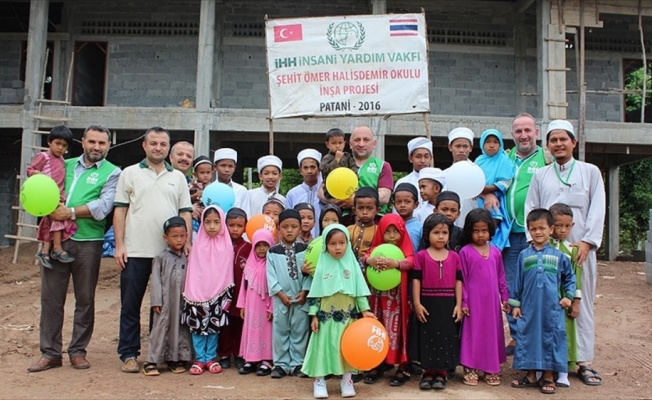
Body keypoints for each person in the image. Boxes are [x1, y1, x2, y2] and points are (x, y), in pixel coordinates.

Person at [28, 125, 121, 373]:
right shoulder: (62, 163)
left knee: (85, 299)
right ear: (82, 142)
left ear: (109, 145)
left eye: (102, 143)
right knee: (51, 298)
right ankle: (50, 353)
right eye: (92, 141)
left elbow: (105, 204)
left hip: (88, 242)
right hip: (55, 237)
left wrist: (68, 212)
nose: (97, 147)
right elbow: (42, 188)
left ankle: (78, 351)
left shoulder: (113, 173)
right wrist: (49, 210)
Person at [525, 119, 605, 386]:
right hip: (547, 253)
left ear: (574, 142)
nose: (558, 144)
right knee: (548, 304)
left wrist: (587, 242)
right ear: (547, 145)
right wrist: (535, 242)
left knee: (581, 304)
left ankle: (584, 361)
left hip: (580, 252)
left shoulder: (590, 171)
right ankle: (548, 362)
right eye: (553, 140)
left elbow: (597, 209)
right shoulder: (541, 175)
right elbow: (531, 209)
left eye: (563, 139)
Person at [114, 127, 193, 373]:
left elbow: (185, 212)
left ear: (168, 148)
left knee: (164, 306)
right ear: (144, 146)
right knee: (131, 304)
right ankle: (128, 353)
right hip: (135, 251)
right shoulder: (129, 173)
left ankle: (159, 353)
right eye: (153, 143)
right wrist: (119, 245)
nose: (158, 147)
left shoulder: (178, 177)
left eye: (162, 144)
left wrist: (186, 243)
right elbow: (120, 210)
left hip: (168, 254)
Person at [483, 113, 548, 355]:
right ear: (512, 135)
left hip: (536, 235)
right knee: (510, 287)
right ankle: (517, 336)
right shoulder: (504, 157)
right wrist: (486, 193)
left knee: (537, 284)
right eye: (518, 131)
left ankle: (535, 337)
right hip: (507, 234)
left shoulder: (546, 157)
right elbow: (483, 180)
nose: (523, 135)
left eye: (528, 130)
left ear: (536, 133)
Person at [301, 224, 374, 399]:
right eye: (332, 244)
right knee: (322, 349)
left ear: (347, 244)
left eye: (342, 243)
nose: (338, 247)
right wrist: (313, 315)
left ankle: (347, 380)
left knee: (347, 349)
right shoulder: (322, 265)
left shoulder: (353, 265)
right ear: (326, 246)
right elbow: (316, 294)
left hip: (348, 320)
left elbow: (359, 291)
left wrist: (365, 311)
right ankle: (319, 381)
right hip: (325, 319)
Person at [509, 208, 576, 395]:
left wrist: (568, 296)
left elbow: (570, 278)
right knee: (528, 336)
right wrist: (515, 305)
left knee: (551, 337)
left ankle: (548, 376)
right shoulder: (524, 255)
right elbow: (517, 282)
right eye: (533, 229)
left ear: (551, 229)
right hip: (529, 307)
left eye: (542, 228)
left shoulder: (559, 256)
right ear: (529, 230)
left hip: (552, 307)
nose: (538, 232)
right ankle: (530, 375)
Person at [409, 214, 463, 390]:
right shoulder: (421, 256)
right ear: (427, 235)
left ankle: (441, 373)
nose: (441, 236)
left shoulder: (455, 256)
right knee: (428, 336)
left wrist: (458, 304)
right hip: (427, 303)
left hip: (447, 303)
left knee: (446, 337)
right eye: (436, 232)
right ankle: (428, 372)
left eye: (445, 232)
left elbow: (458, 281)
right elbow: (416, 280)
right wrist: (417, 303)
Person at [361, 214, 414, 386]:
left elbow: (411, 261)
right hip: (378, 300)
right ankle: (377, 363)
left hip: (398, 300)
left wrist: (397, 264)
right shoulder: (377, 248)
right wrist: (370, 260)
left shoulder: (405, 248)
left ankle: (402, 366)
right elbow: (364, 257)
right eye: (387, 231)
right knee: (379, 328)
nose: (391, 236)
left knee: (398, 330)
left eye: (395, 231)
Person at [458, 209, 510, 386]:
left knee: (490, 332)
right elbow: (462, 279)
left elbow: (501, 276)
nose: (480, 234)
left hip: (491, 302)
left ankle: (490, 368)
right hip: (472, 301)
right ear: (469, 231)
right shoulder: (465, 252)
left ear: (490, 231)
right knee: (473, 333)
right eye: (476, 230)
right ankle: (470, 367)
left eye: (484, 230)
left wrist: (504, 297)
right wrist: (464, 301)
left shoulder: (495, 252)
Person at [182, 205, 234, 375]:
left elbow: (226, 270)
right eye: (208, 222)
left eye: (216, 222)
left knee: (214, 326)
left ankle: (210, 357)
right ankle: (199, 358)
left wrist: (219, 291)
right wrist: (198, 291)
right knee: (197, 326)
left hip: (219, 293)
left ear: (222, 223)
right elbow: (194, 270)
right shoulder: (197, 244)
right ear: (202, 223)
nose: (212, 226)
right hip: (197, 292)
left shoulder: (227, 245)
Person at [142, 216, 192, 376]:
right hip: (165, 301)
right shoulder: (161, 258)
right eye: (174, 236)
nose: (179, 240)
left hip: (182, 301)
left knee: (180, 328)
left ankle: (175, 359)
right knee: (161, 328)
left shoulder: (188, 256)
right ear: (166, 238)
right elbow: (155, 280)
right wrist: (156, 300)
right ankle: (151, 361)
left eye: (182, 236)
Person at [266, 209, 312, 378]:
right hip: (281, 300)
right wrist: (280, 294)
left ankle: (297, 363)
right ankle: (281, 364)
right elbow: (270, 276)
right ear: (279, 229)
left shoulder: (306, 249)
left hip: (300, 298)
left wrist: (305, 291)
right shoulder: (272, 251)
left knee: (300, 330)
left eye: (294, 226)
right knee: (280, 331)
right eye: (285, 227)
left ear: (300, 228)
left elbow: (310, 273)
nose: (290, 230)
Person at [319, 126, 394, 223]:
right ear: (350, 144)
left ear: (374, 144)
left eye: (366, 140)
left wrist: (355, 201)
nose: (361, 144)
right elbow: (321, 192)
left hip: (374, 221)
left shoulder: (383, 166)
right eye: (357, 140)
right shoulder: (339, 162)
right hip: (343, 221)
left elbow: (384, 197)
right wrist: (337, 201)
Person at [27, 126, 77, 268]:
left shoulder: (62, 160)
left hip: (58, 196)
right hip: (46, 196)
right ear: (49, 142)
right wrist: (35, 173)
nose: (60, 148)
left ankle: (45, 251)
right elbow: (29, 169)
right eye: (57, 143)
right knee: (57, 221)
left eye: (64, 145)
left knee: (51, 223)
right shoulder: (43, 157)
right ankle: (57, 249)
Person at [548, 202, 582, 388]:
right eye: (558, 225)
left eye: (567, 226)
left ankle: (565, 368)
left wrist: (575, 302)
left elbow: (577, 277)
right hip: (546, 297)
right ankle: (545, 368)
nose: (563, 230)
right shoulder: (543, 247)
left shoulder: (572, 250)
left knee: (565, 332)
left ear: (573, 226)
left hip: (565, 299)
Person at [236, 229, 276, 375]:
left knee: (266, 332)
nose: (261, 249)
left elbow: (274, 288)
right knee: (251, 330)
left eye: (265, 245)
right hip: (251, 305)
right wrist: (242, 305)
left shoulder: (272, 265)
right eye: (258, 245)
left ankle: (266, 360)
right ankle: (250, 360)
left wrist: (272, 308)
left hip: (266, 306)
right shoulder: (249, 264)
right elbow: (243, 286)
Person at [219, 207, 252, 369]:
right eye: (231, 225)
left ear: (245, 227)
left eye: (239, 226)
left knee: (240, 323)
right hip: (223, 291)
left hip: (241, 291)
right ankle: (225, 353)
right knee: (224, 323)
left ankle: (240, 353)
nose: (235, 229)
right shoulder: (219, 244)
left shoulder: (249, 247)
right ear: (225, 225)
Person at [474, 129, 515, 250]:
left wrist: (488, 189)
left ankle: (493, 242)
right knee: (481, 219)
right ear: (482, 144)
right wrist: (481, 192)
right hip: (481, 197)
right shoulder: (478, 161)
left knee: (495, 217)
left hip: (497, 197)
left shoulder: (504, 159)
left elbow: (506, 181)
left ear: (501, 144)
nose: (491, 145)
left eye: (495, 142)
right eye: (488, 142)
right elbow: (473, 181)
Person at [286, 149, 322, 238]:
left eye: (312, 167)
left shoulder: (325, 193)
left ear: (319, 169)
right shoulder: (292, 194)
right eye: (305, 168)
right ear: (301, 171)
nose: (309, 171)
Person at [446, 127, 475, 228]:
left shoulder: (478, 173)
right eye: (458, 146)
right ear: (450, 147)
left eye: (465, 146)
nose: (461, 150)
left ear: (470, 148)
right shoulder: (444, 175)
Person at [320, 128, 357, 200]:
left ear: (344, 143)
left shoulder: (347, 156)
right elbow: (325, 171)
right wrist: (336, 160)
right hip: (331, 191)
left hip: (347, 188)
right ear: (327, 144)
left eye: (340, 143)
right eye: (333, 143)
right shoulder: (326, 158)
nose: (337, 146)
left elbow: (353, 168)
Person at [395, 137, 433, 204]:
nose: (423, 161)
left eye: (426, 157)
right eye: (418, 157)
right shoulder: (403, 182)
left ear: (431, 158)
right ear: (410, 158)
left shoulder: (439, 181)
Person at [214, 148, 250, 217]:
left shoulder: (241, 191)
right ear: (215, 167)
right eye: (223, 165)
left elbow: (246, 216)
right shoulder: (209, 190)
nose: (227, 170)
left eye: (230, 166)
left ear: (234, 168)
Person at [347, 187, 380, 259]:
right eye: (361, 208)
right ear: (354, 210)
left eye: (369, 208)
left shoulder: (379, 231)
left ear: (377, 210)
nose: (365, 212)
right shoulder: (348, 230)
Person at [393, 183, 421, 254]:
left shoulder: (420, 228)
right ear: (394, 204)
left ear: (416, 204)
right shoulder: (391, 224)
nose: (402, 205)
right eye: (399, 202)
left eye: (407, 202)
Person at [188, 155, 213, 234]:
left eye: (208, 172)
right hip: (195, 215)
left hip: (209, 216)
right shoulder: (192, 185)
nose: (205, 175)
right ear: (195, 174)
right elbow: (185, 199)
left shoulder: (214, 187)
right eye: (202, 172)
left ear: (212, 173)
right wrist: (195, 195)